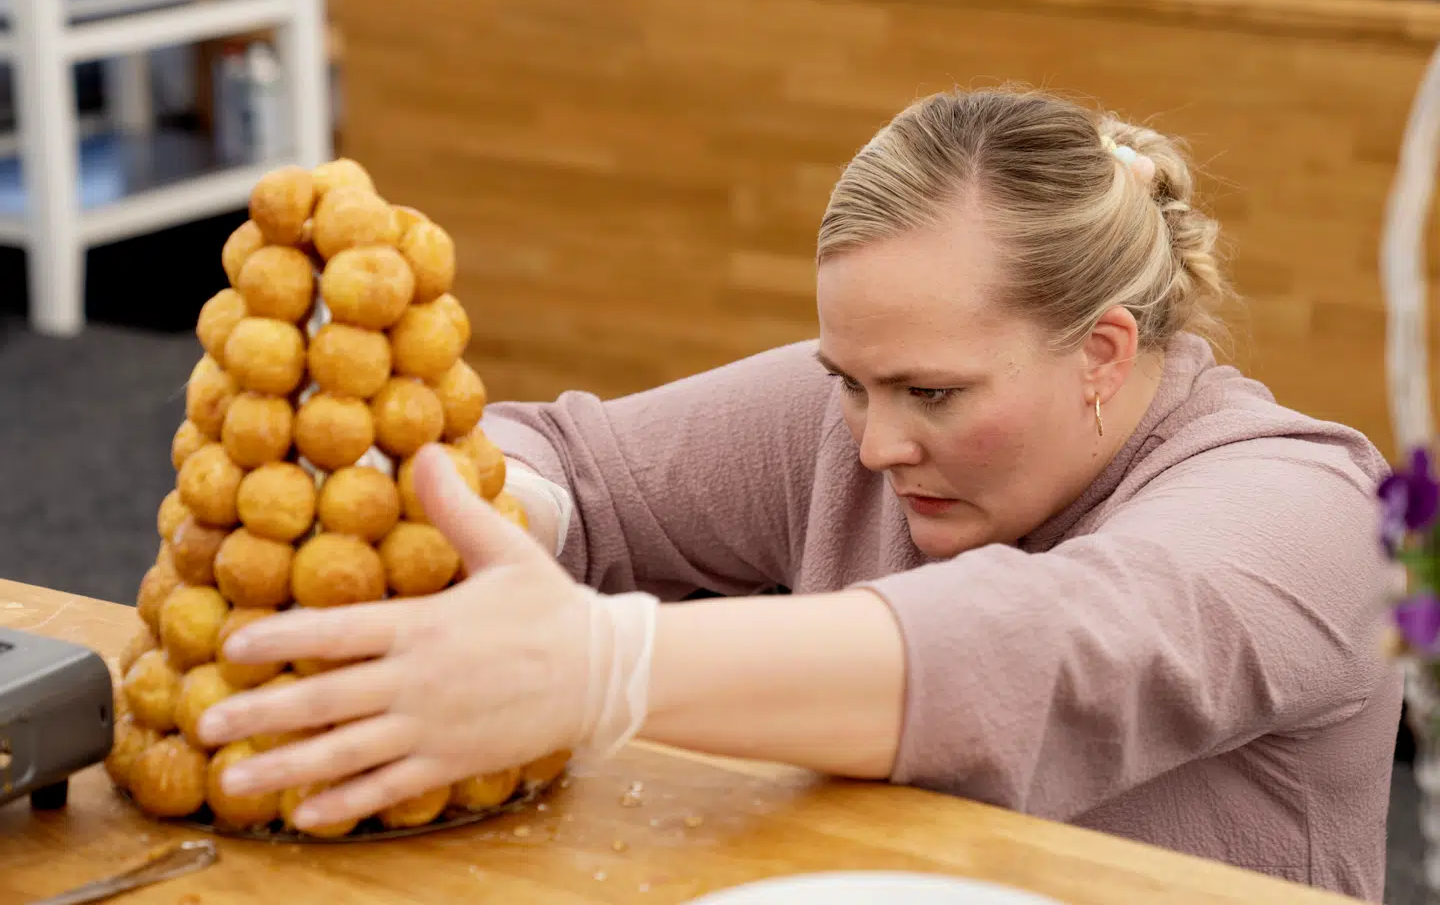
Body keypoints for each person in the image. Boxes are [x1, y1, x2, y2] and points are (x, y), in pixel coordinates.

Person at [196, 87, 1402, 900]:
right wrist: (392, 485)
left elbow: (1035, 649)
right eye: (848, 382)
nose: (873, 445)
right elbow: (587, 473)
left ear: (1102, 353)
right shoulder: (875, 413)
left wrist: (605, 666)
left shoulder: (1310, 512)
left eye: (930, 393)